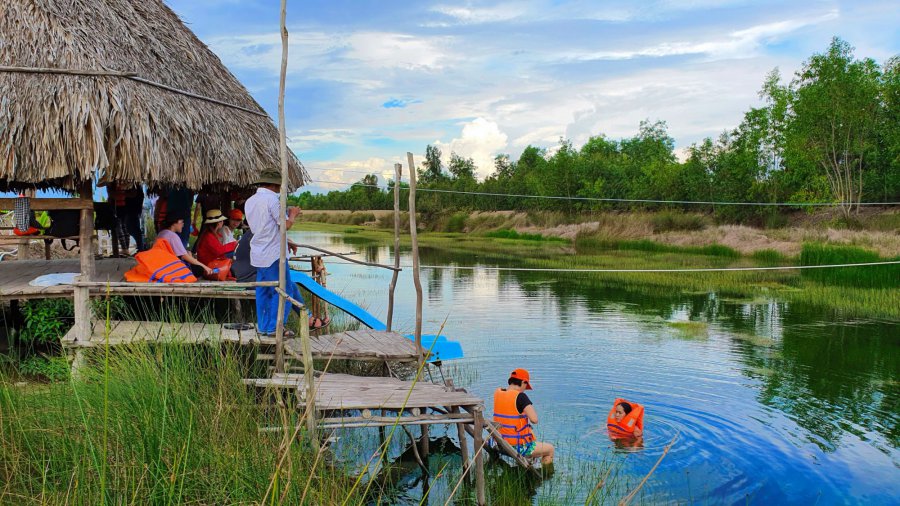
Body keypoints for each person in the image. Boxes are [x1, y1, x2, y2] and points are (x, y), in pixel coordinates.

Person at [245, 168, 307, 337]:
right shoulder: (273, 201)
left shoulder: (250, 201)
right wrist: (293, 215)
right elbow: (284, 225)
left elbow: (265, 228)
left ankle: (264, 326)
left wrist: (287, 240)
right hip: (273, 254)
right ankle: (276, 327)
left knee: (263, 291)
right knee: (283, 290)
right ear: (275, 185)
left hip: (258, 253)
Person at [492, 368, 555, 466]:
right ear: (523, 382)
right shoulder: (521, 397)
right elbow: (534, 420)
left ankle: (526, 466)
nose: (525, 389)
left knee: (531, 441)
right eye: (526, 386)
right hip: (515, 447)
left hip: (496, 443)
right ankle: (545, 475)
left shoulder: (498, 393)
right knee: (550, 449)